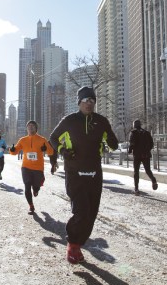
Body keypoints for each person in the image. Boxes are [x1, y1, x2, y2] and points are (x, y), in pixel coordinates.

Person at [49, 86, 118, 264]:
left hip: (95, 172)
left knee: (92, 214)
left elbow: (113, 143)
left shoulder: (102, 121)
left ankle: (78, 245)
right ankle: (72, 244)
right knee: (81, 210)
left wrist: (111, 141)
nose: (89, 103)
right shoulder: (69, 121)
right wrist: (63, 151)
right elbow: (53, 138)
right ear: (79, 102)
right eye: (86, 100)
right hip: (74, 171)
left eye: (92, 100)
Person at [9, 120, 57, 214]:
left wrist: (45, 149)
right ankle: (31, 206)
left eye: (32, 126)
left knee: (36, 186)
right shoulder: (23, 140)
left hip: (38, 168)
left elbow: (51, 152)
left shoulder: (42, 139)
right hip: (26, 167)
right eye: (29, 126)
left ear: (36, 128)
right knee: (27, 186)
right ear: (27, 128)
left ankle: (36, 190)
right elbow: (15, 152)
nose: (30, 127)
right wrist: (12, 149)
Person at [128, 119, 158, 195]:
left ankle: (136, 189)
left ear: (134, 125)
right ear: (140, 125)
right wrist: (147, 150)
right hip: (146, 155)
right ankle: (153, 180)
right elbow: (151, 144)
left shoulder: (133, 132)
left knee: (136, 172)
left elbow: (132, 143)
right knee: (148, 170)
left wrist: (130, 150)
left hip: (137, 155)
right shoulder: (147, 133)